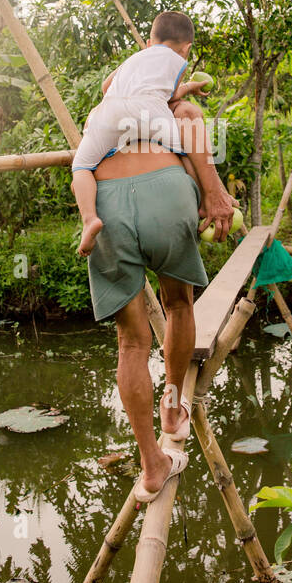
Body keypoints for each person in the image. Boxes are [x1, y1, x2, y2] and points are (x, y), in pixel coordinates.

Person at [86, 93, 236, 503]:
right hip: (166, 193)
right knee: (178, 304)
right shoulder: (176, 105)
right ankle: (172, 409)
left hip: (107, 201)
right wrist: (214, 194)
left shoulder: (104, 110)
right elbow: (192, 128)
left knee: (131, 342)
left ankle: (152, 465)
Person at [70, 11, 209, 257]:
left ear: (149, 42)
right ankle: (200, 203)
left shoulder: (136, 57)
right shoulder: (177, 60)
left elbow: (106, 87)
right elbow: (172, 95)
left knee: (81, 166)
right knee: (186, 152)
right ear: (186, 48)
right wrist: (189, 87)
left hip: (110, 113)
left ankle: (89, 219)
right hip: (151, 112)